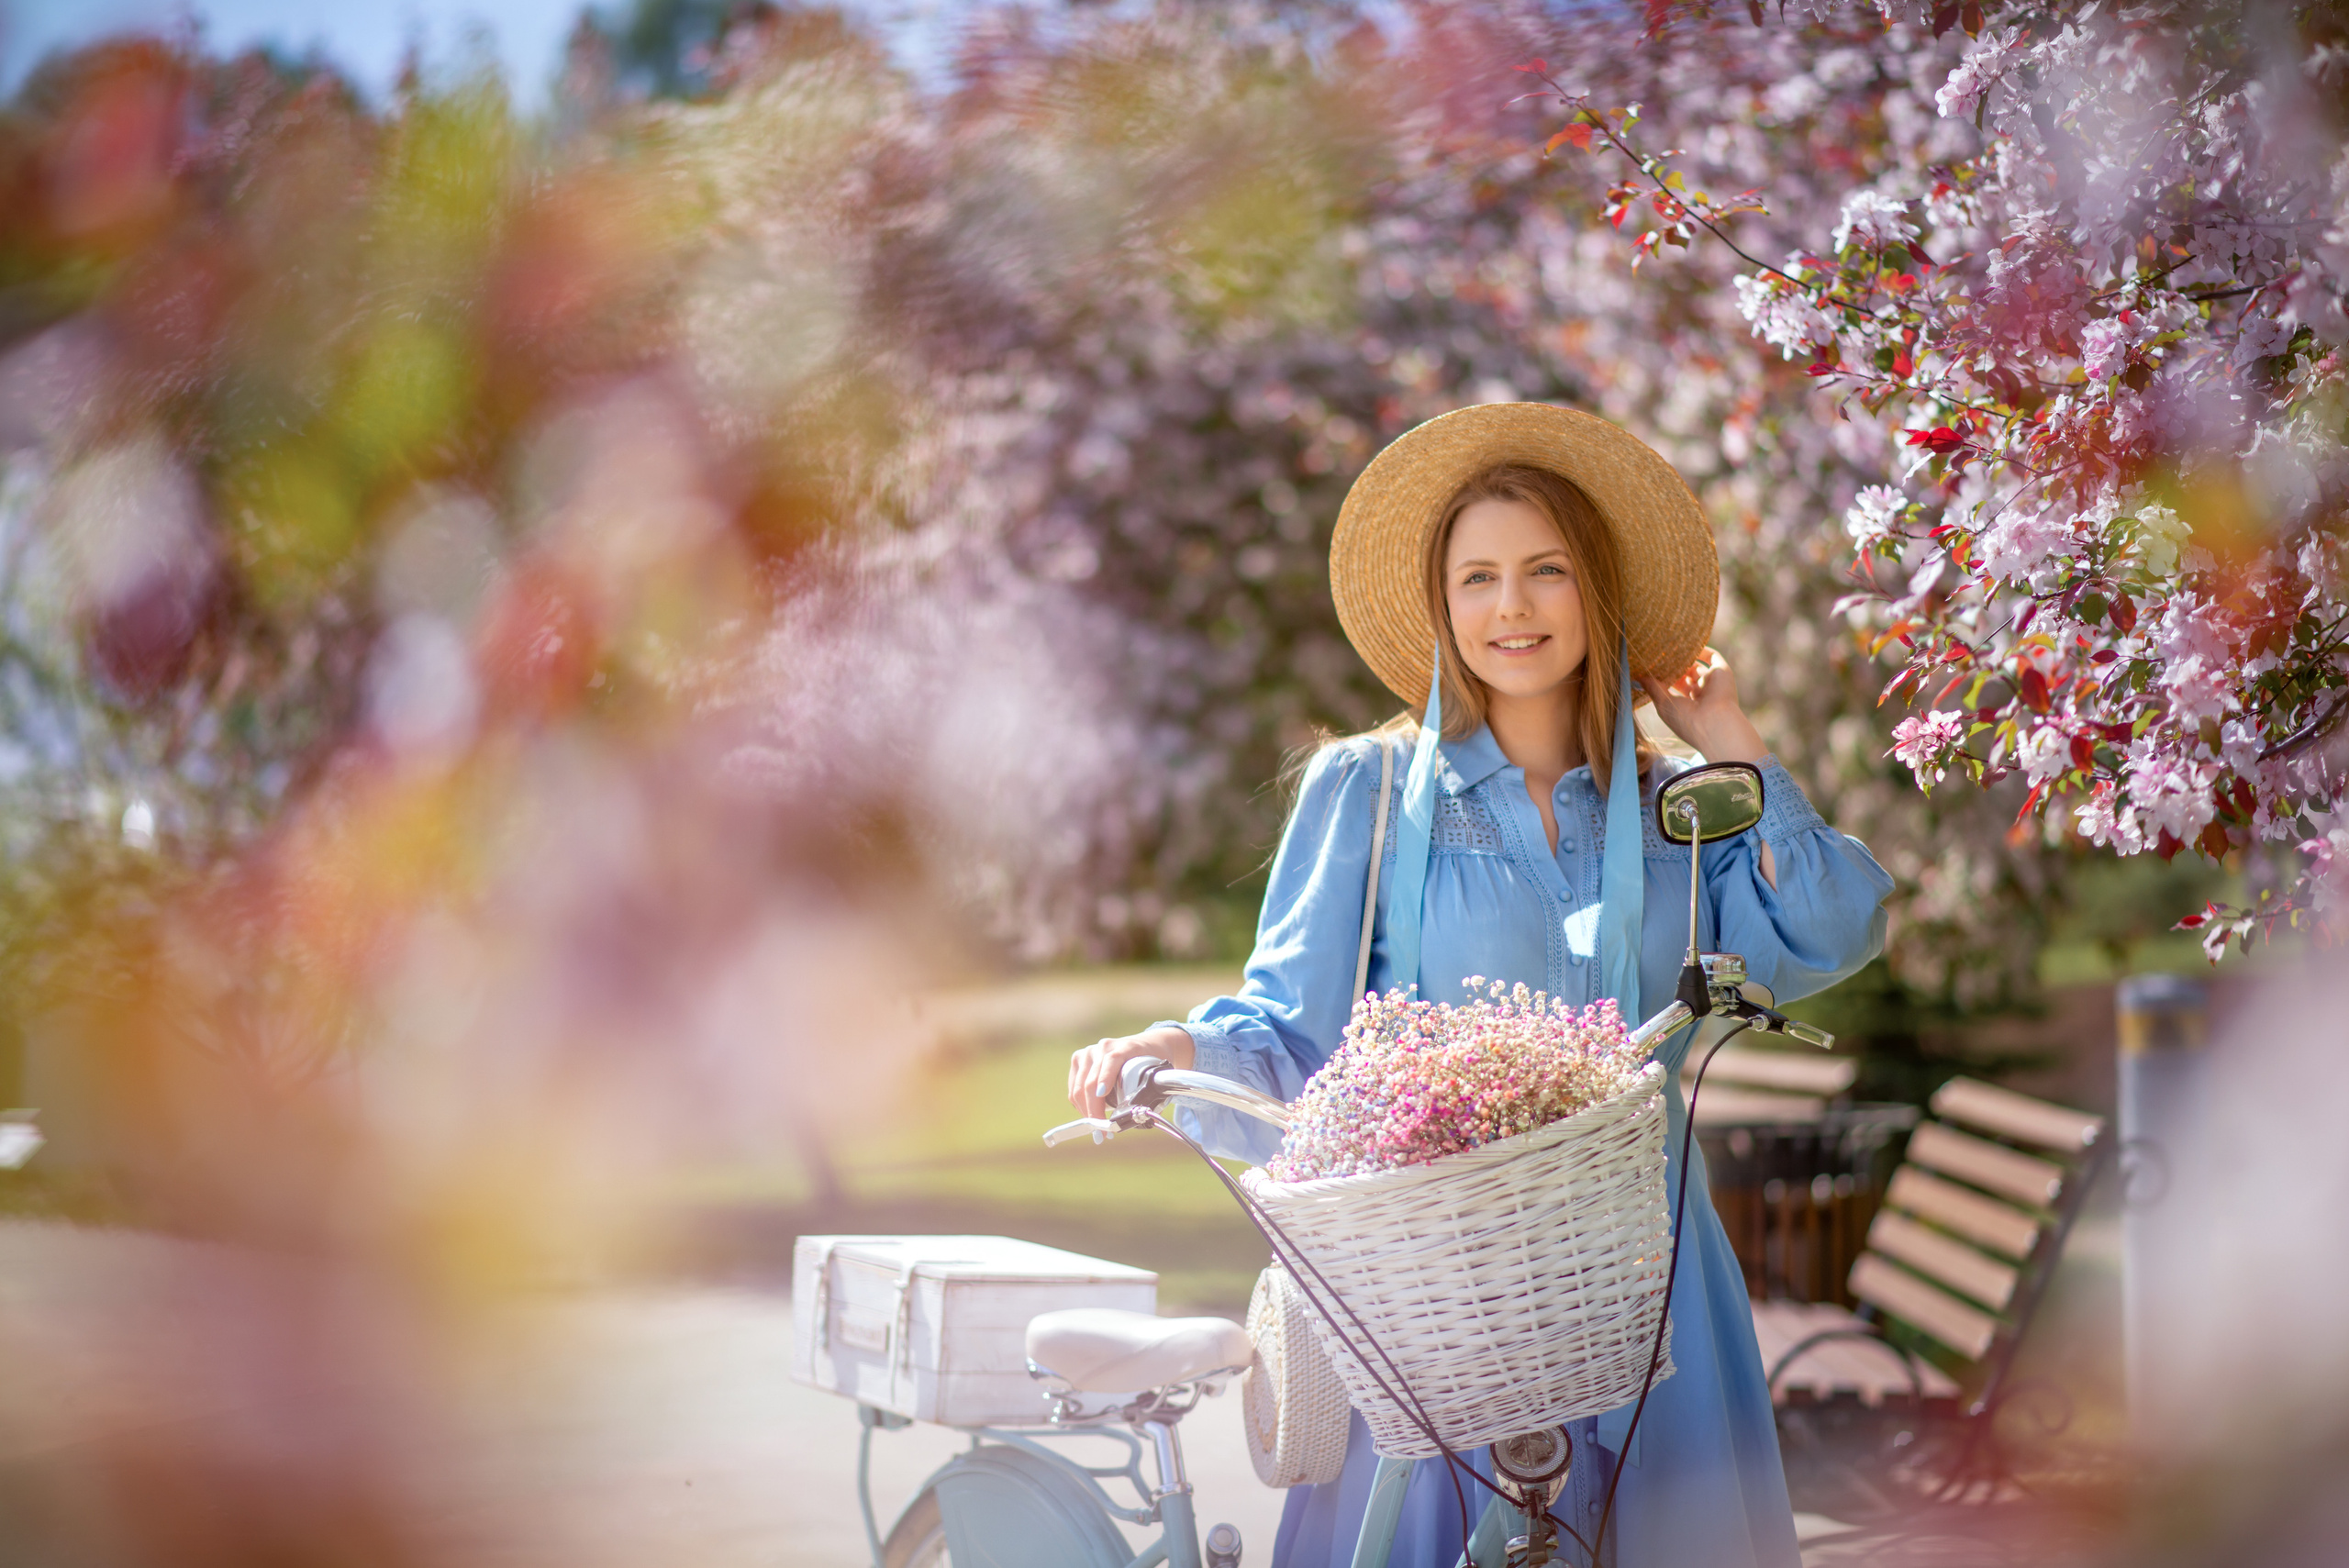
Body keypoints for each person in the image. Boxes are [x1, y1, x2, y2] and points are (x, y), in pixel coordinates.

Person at [1064, 403, 1893, 1568]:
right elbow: (1291, 1030)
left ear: (1592, 595)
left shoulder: (1675, 804)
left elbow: (1837, 926)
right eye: (1479, 577)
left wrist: (1730, 738)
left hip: (1648, 1267)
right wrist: (1169, 1045)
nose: (1512, 606)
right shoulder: (1371, 788)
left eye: (1547, 571)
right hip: (1440, 1280)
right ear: (1442, 606)